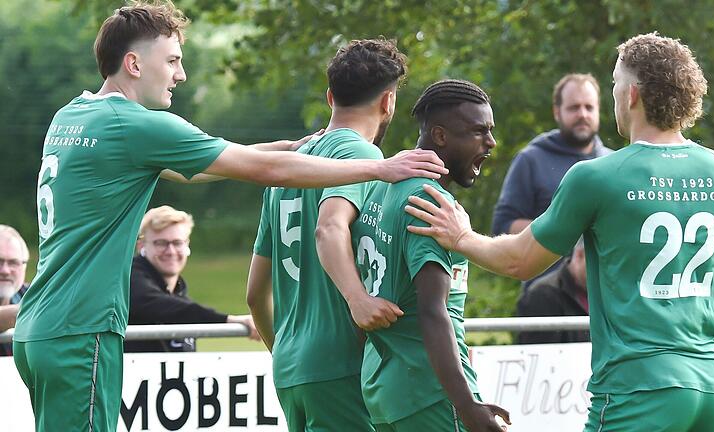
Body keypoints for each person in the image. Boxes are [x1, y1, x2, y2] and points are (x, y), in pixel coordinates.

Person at [13, 3, 446, 431]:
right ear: (133, 64)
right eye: (173, 60)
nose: (180, 75)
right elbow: (261, 171)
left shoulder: (72, 115)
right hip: (80, 327)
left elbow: (204, 165)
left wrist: (293, 146)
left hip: (38, 327)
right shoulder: (135, 124)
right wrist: (380, 167)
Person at [406, 33, 714, 431]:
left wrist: (461, 237)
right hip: (710, 386)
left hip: (637, 388)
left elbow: (519, 261)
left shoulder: (597, 176)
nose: (615, 93)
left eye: (616, 83)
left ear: (633, 94)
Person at [246, 38, 409, 432]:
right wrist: (358, 300)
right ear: (388, 102)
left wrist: (287, 352)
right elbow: (329, 227)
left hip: (289, 370)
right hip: (340, 366)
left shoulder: (289, 167)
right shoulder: (363, 157)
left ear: (330, 96)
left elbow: (254, 294)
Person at [351, 79, 510, 431]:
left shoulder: (379, 188)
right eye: (478, 131)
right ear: (440, 136)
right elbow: (433, 311)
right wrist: (467, 405)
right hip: (430, 393)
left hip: (384, 391)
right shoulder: (432, 204)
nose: (490, 142)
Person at [492, 73, 612, 290]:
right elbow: (503, 226)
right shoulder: (532, 159)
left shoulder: (613, 163)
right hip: (546, 298)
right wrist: (564, 232)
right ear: (557, 112)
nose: (582, 114)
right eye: (574, 108)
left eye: (589, 107)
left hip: (606, 297)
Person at [125, 206, 259, 353]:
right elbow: (159, 305)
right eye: (161, 243)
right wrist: (227, 320)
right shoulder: (128, 279)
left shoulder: (179, 293)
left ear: (187, 245)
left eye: (177, 243)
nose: (170, 251)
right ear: (141, 246)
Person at [516, 238, 590, 344]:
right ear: (580, 255)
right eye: (600, 264)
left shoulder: (606, 293)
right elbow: (540, 353)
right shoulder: (542, 295)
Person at [0, 225, 30, 356]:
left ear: (24, 267)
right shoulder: (35, 304)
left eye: (13, 262)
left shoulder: (31, 295)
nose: (5, 271)